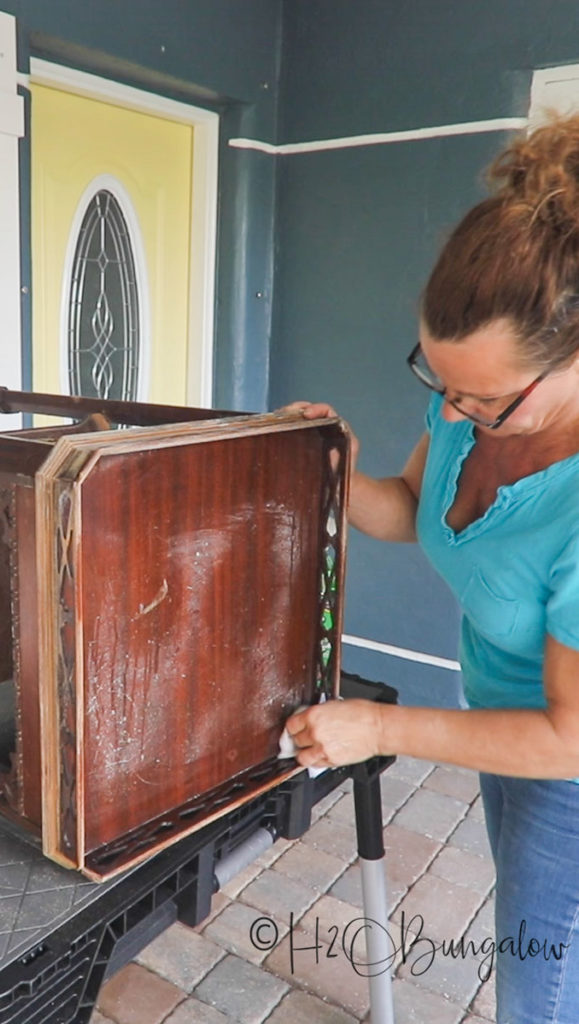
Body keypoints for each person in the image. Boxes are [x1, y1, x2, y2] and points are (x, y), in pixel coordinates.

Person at [284, 115, 579, 1024]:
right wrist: (333, 470)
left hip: (564, 768)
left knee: (539, 990)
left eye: (485, 398)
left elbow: (569, 739)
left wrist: (380, 728)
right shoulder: (464, 414)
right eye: (439, 384)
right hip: (505, 722)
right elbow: (411, 514)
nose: (455, 412)